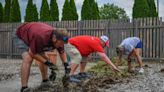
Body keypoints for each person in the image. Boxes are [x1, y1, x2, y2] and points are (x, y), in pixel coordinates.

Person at [13, 22, 70, 92]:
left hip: (33, 37)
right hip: (21, 36)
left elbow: (62, 52)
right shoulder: (41, 36)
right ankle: (24, 88)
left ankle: (45, 81)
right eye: (61, 43)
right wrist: (49, 64)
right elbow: (32, 53)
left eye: (63, 44)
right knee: (28, 58)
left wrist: (66, 65)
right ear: (54, 38)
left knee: (46, 58)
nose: (62, 45)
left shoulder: (59, 38)